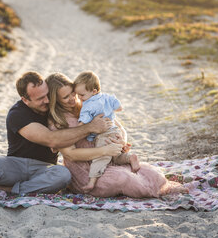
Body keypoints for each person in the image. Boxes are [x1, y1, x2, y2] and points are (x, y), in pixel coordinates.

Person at [0, 71, 120, 213]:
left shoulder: (53, 108)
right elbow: (51, 139)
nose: (46, 101)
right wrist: (90, 127)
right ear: (26, 100)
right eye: (40, 98)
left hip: (44, 168)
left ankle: (11, 189)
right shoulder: (17, 114)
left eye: (47, 95)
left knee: (63, 175)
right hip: (16, 165)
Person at [46, 72, 189, 198]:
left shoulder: (86, 103)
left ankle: (163, 187)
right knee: (124, 178)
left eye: (73, 93)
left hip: (111, 160)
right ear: (56, 100)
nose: (73, 98)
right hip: (86, 172)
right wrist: (104, 150)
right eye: (66, 97)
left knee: (151, 173)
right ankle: (157, 193)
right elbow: (71, 154)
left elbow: (116, 125)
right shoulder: (58, 121)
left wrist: (121, 142)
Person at [73, 71, 140, 192]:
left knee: (101, 157)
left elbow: (82, 123)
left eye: (81, 95)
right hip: (115, 131)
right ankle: (130, 158)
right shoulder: (107, 97)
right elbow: (119, 108)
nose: (79, 98)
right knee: (115, 156)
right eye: (77, 95)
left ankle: (92, 181)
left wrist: (77, 129)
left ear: (93, 91)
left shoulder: (88, 105)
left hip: (103, 135)